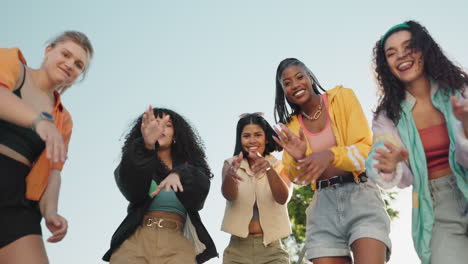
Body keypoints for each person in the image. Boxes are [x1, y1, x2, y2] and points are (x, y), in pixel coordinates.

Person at [366, 20, 468, 264]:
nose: (401, 56)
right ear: (387, 66)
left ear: (424, 50)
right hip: (437, 207)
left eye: (409, 47)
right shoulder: (387, 116)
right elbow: (380, 157)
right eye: (391, 53)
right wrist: (388, 166)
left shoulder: (460, 91)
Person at [273, 58, 391, 264]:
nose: (295, 85)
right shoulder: (291, 126)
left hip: (360, 195)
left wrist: (329, 155)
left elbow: (365, 151)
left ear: (309, 77)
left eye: (299, 77)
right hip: (323, 207)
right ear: (283, 90)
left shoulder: (342, 98)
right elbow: (296, 178)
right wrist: (299, 157)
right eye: (287, 83)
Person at [0, 31, 93, 263]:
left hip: (17, 200)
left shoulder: (64, 120)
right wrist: (38, 121)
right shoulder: (12, 63)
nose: (70, 64)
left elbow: (54, 172)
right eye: (65, 54)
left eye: (78, 64)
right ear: (48, 50)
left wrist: (50, 211)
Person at [103, 107, 218, 264]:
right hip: (136, 241)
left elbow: (199, 195)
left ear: (176, 135)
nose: (160, 128)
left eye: (167, 125)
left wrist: (178, 173)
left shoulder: (191, 169)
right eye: (154, 124)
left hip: (177, 244)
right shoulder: (135, 161)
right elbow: (130, 189)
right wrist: (146, 146)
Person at [221, 113, 292, 264]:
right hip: (237, 251)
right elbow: (229, 195)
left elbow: (282, 198)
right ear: (240, 139)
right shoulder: (231, 164)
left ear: (266, 138)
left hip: (272, 250)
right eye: (246, 136)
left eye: (258, 135)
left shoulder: (280, 166)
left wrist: (269, 170)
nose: (252, 140)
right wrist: (230, 176)